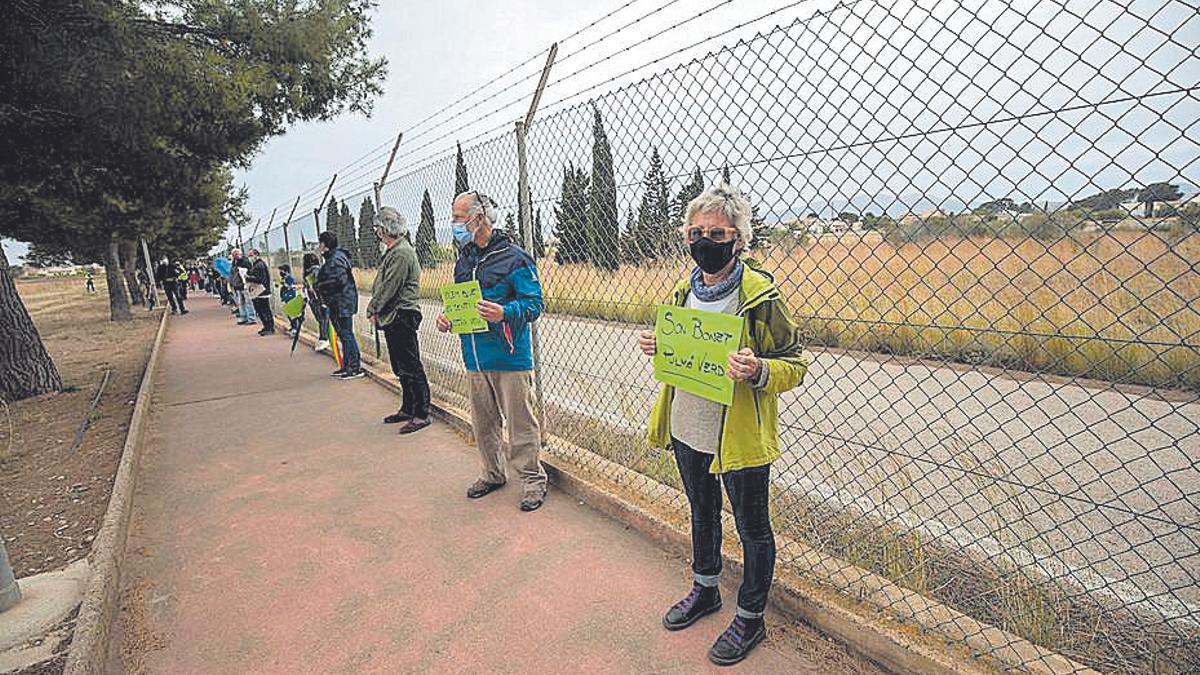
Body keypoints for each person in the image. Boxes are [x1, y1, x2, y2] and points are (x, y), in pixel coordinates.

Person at [637, 183, 808, 666]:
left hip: (737, 436)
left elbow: (794, 362)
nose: (704, 240)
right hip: (689, 424)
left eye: (716, 232)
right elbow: (679, 353)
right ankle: (706, 588)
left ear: (738, 238)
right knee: (701, 511)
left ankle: (751, 616)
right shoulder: (681, 288)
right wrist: (658, 345)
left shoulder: (760, 296)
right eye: (696, 231)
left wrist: (759, 371)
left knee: (753, 527)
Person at [435, 191, 547, 512]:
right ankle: (492, 473)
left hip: (510, 357)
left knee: (520, 423)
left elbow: (534, 304)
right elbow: (459, 302)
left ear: (478, 218)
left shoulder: (515, 258)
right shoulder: (464, 261)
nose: (454, 223)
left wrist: (504, 312)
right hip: (474, 357)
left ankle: (533, 481)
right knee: (483, 423)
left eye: (458, 217)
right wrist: (448, 317)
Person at [367, 207, 431, 435]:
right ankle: (408, 407)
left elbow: (390, 287)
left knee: (410, 364)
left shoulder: (402, 253)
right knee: (400, 365)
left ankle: (422, 412)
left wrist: (373, 307)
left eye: (377, 228)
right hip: (394, 314)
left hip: (402, 313)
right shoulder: (394, 252)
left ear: (385, 229)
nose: (376, 232)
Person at [316, 231, 363, 379]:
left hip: (342, 302)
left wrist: (320, 285)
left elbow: (338, 281)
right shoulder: (335, 258)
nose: (319, 246)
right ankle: (347, 365)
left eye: (321, 243)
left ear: (325, 244)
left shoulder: (335, 260)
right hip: (338, 302)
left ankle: (354, 367)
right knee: (343, 334)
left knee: (347, 334)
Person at [303, 252, 331, 352]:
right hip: (318, 299)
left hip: (318, 299)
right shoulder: (315, 271)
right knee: (323, 319)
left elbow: (319, 285)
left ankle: (324, 338)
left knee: (322, 319)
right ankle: (324, 337)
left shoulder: (313, 271)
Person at [246, 248, 275, 336]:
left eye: (251, 255)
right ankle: (266, 326)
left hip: (262, 291)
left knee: (264, 310)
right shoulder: (256, 265)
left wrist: (247, 277)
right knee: (260, 310)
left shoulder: (259, 265)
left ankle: (269, 327)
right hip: (258, 291)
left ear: (256, 255)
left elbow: (260, 279)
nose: (249, 257)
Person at [229, 249, 256, 325]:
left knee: (248, 302)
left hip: (244, 285)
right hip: (237, 285)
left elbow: (248, 272)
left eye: (236, 254)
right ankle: (244, 317)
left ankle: (251, 318)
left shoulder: (245, 262)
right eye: (234, 255)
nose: (235, 256)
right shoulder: (234, 263)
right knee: (241, 303)